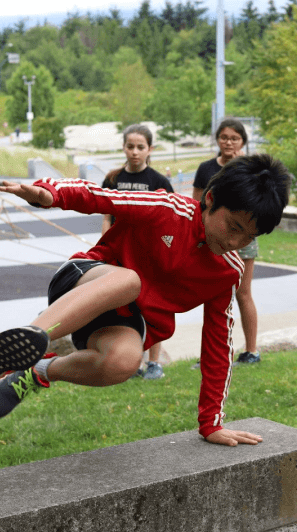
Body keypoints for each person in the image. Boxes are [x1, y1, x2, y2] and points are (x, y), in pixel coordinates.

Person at [0, 154, 291, 447]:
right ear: (211, 199)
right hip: (84, 280)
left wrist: (211, 424)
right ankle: (27, 340)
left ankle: (37, 369)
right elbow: (103, 197)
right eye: (232, 227)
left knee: (125, 362)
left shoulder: (228, 271)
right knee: (129, 281)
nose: (235, 242)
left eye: (248, 237)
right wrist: (51, 193)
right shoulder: (167, 209)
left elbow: (218, 346)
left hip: (123, 321)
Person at [100, 124, 175, 380]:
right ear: (123, 147)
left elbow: (169, 221)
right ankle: (133, 362)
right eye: (130, 146)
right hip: (120, 253)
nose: (134, 152)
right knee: (125, 306)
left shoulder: (159, 182)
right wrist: (105, 247)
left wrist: (165, 252)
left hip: (149, 254)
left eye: (140, 147)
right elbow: (106, 217)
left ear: (149, 149)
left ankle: (154, 362)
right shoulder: (113, 180)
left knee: (152, 306)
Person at [193, 119, 261, 365]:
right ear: (217, 140)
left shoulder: (251, 168)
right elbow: (197, 204)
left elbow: (258, 204)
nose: (229, 142)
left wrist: (242, 167)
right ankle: (212, 355)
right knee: (213, 297)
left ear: (243, 142)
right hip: (213, 238)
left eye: (234, 138)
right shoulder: (206, 168)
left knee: (243, 294)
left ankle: (251, 350)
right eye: (224, 137)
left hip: (243, 238)